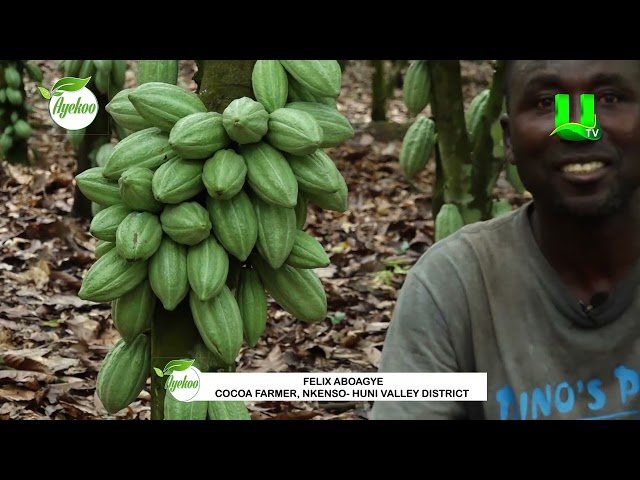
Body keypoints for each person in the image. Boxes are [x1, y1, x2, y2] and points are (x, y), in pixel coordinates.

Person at [369, 60, 640, 420]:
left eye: (607, 98)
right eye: (548, 102)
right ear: (509, 140)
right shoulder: (452, 285)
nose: (580, 128)